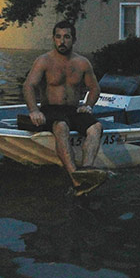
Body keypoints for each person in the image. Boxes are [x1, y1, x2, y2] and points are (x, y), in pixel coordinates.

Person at [22, 20, 104, 194]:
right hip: (51, 109)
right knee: (61, 126)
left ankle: (87, 172)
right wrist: (34, 110)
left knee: (96, 127)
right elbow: (28, 85)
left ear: (73, 40)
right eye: (58, 37)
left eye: (66, 37)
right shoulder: (44, 61)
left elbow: (95, 88)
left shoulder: (82, 63)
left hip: (73, 109)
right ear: (53, 39)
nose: (62, 41)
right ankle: (75, 178)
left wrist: (88, 105)